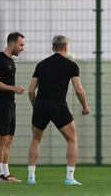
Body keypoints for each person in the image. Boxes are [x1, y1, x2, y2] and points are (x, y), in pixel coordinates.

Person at [27, 35, 89, 186]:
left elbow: (30, 91)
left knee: (36, 139)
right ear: (66, 48)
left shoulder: (41, 65)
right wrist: (85, 106)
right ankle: (69, 178)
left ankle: (31, 177)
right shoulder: (71, 65)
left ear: (53, 48)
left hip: (41, 105)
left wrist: (36, 106)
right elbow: (79, 90)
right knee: (72, 139)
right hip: (58, 105)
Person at [0, 32, 25, 183]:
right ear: (12, 44)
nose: (22, 48)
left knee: (9, 139)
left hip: (10, 104)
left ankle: (6, 174)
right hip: (0, 104)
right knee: (1, 139)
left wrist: (13, 91)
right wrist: (13, 88)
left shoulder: (11, 60)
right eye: (21, 44)